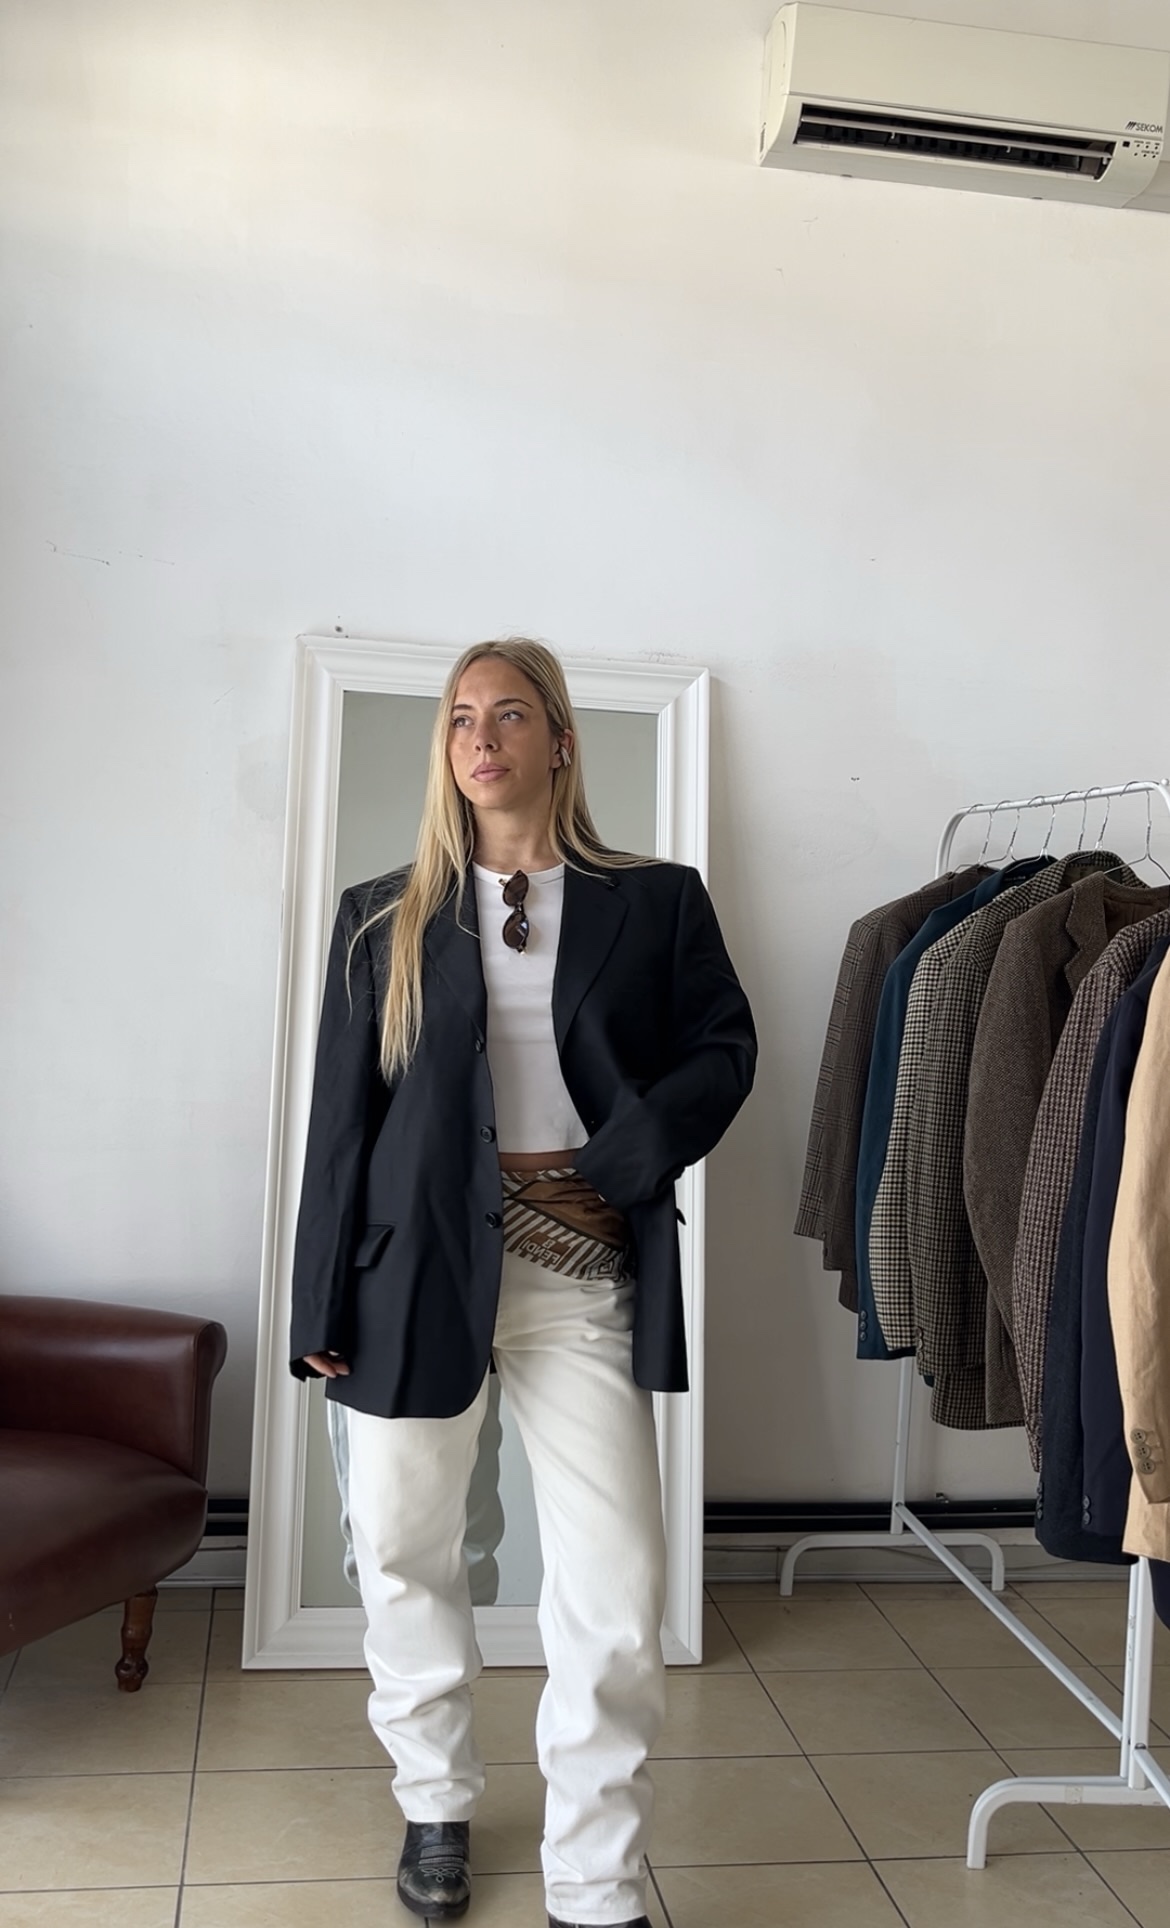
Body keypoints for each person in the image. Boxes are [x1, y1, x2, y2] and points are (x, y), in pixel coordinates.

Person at [290, 637, 756, 1928]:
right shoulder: (381, 914)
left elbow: (725, 1048)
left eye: (506, 714)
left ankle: (595, 1878)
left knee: (614, 1580)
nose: (480, 738)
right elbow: (340, 1124)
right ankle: (435, 1800)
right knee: (402, 1546)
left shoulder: (656, 901)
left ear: (559, 739)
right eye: (458, 719)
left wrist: (631, 1153)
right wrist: (318, 1300)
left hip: (579, 1262)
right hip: (410, 1271)